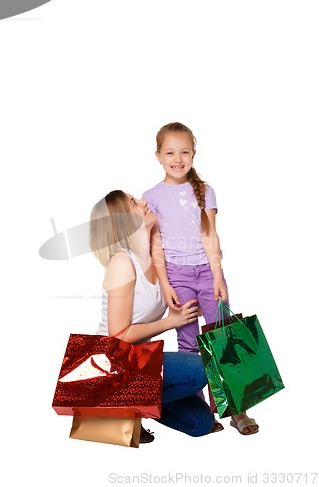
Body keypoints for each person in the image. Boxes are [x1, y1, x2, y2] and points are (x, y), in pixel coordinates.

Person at [141, 122, 259, 435]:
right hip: (177, 275)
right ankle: (203, 411)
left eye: (184, 151)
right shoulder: (151, 195)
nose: (177, 158)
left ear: (194, 154)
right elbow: (156, 245)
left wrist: (218, 276)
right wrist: (165, 284)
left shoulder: (205, 190)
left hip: (207, 272)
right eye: (170, 152)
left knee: (224, 339)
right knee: (188, 343)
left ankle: (238, 409)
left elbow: (211, 237)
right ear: (158, 156)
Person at [90, 190, 216, 442]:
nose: (145, 202)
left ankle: (131, 409)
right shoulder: (122, 263)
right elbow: (119, 335)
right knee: (199, 369)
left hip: (139, 366)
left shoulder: (160, 261)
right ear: (122, 220)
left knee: (200, 424)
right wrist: (171, 322)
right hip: (113, 365)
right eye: (134, 203)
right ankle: (113, 407)